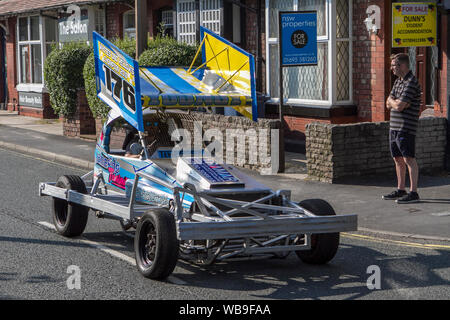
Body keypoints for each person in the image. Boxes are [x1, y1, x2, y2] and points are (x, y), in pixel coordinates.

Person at [382, 53, 422, 204]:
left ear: (402, 65)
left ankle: (414, 192)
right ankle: (401, 189)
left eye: (393, 65)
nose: (391, 68)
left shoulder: (412, 82)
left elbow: (398, 106)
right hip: (394, 127)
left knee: (409, 159)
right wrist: (396, 102)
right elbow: (388, 102)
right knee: (397, 159)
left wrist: (396, 103)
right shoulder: (398, 82)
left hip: (406, 127)